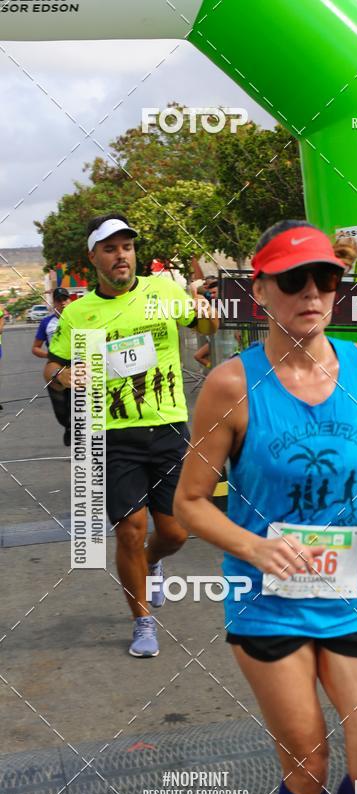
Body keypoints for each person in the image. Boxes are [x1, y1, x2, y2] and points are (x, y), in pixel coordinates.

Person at [174, 220, 357, 794]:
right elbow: (190, 500)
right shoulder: (230, 386)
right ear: (262, 290)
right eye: (293, 280)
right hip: (266, 603)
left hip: (353, 595)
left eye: (326, 279)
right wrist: (256, 548)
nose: (312, 292)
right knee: (306, 764)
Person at [44, 213, 218, 658]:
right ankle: (142, 622)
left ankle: (154, 560)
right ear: (93, 258)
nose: (121, 255)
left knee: (176, 532)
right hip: (111, 434)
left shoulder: (161, 291)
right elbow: (52, 365)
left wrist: (207, 317)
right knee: (129, 530)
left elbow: (203, 327)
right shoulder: (80, 313)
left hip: (167, 427)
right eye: (110, 248)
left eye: (126, 246)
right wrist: (65, 377)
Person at [32, 287, 72, 445]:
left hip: (78, 367)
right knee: (61, 411)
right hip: (56, 369)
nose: (62, 303)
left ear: (70, 300)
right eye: (58, 300)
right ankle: (68, 425)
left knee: (79, 405)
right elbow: (35, 348)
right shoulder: (46, 323)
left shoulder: (78, 318)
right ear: (53, 303)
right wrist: (50, 356)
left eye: (65, 299)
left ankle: (78, 434)